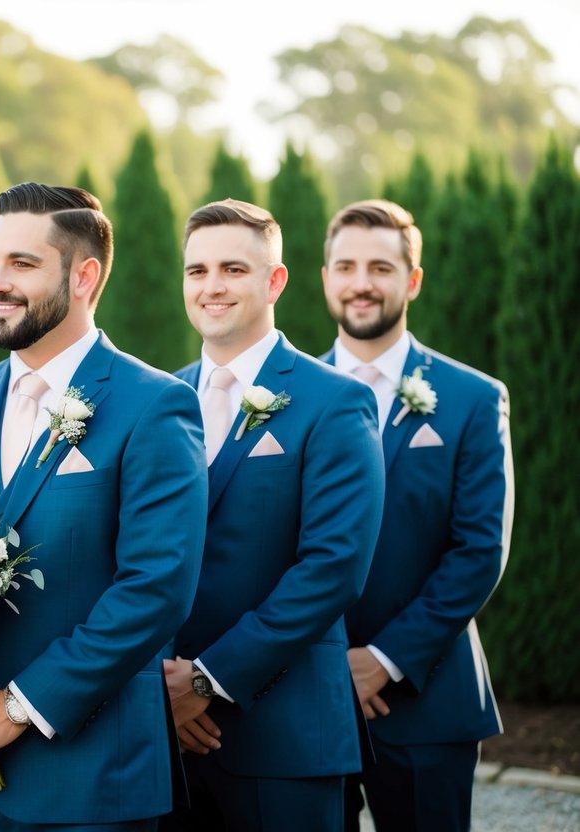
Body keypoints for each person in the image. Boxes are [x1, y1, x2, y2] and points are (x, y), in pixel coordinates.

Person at [0, 182, 207, 831]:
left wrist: (16, 707)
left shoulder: (152, 405)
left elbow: (156, 589)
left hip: (86, 781)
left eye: (22, 264)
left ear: (84, 275)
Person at [164, 199, 385, 832]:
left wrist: (206, 680)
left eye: (233, 269)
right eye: (197, 270)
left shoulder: (336, 401)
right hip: (162, 735)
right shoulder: (162, 399)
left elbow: (334, 568)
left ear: (275, 280)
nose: (212, 287)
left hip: (283, 731)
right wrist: (158, 682)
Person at [318, 199, 512, 832]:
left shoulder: (473, 398)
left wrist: (386, 658)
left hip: (428, 695)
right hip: (306, 696)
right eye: (345, 265)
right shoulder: (284, 397)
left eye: (380, 266)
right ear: (325, 277)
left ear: (413, 280)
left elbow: (479, 550)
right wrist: (328, 658)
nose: (361, 283)